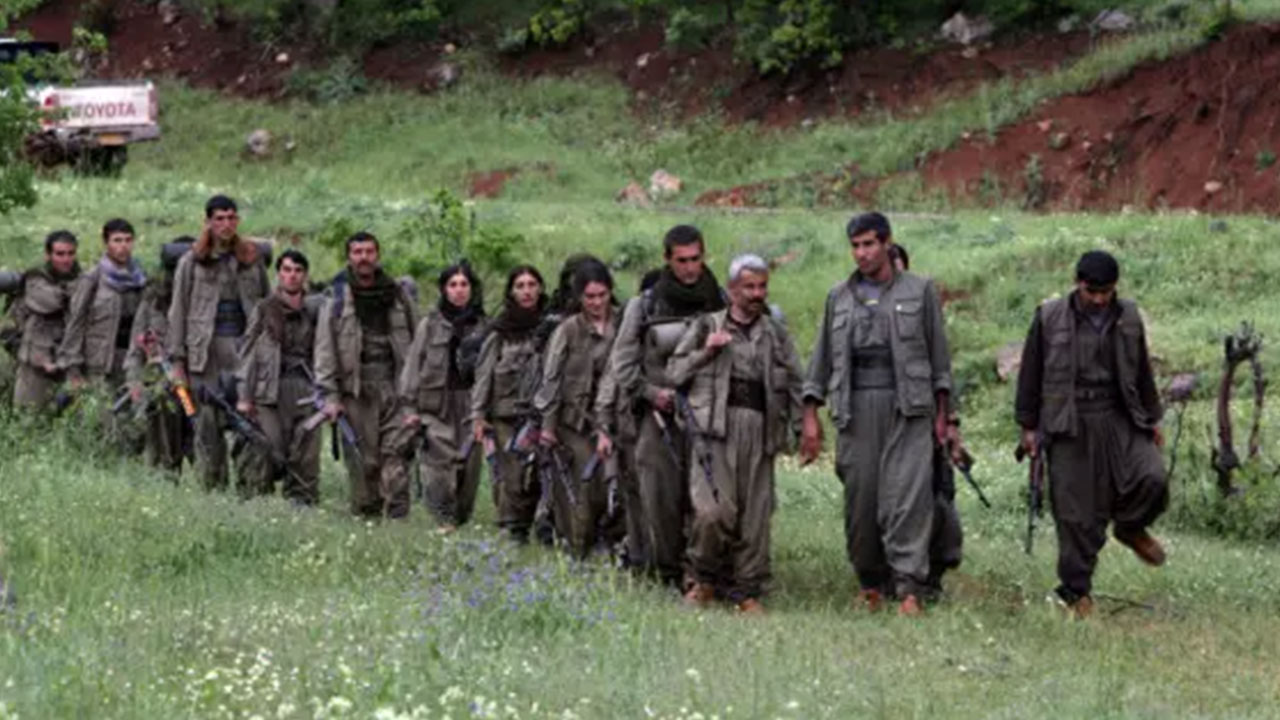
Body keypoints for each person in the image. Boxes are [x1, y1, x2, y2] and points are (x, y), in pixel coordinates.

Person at [801, 212, 954, 616]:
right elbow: (820, 362)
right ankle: (871, 582)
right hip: (856, 408)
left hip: (909, 408)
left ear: (887, 243)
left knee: (908, 498)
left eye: (869, 244)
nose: (862, 253)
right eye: (855, 245)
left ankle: (909, 587)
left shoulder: (919, 291)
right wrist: (810, 417)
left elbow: (940, 360)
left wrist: (945, 418)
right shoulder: (839, 297)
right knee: (862, 499)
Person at [1014, 250, 1167, 619]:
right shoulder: (1050, 317)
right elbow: (1030, 373)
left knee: (1152, 477)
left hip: (1118, 416)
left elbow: (1142, 369)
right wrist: (1028, 427)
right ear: (1077, 283)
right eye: (1092, 291)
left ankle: (1131, 528)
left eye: (1106, 292)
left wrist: (1153, 417)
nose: (1099, 299)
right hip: (1069, 420)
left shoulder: (1128, 316)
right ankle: (1076, 592)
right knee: (1076, 514)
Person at [666, 254, 803, 614]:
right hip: (715, 431)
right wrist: (706, 353)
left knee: (755, 516)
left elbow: (795, 381)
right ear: (731, 290)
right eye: (749, 287)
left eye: (762, 287)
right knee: (713, 511)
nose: (757, 294)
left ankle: (747, 590)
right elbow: (675, 373)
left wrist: (806, 428)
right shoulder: (705, 326)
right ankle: (701, 579)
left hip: (759, 429)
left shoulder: (775, 333)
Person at [611, 226, 725, 587]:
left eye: (696, 259)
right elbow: (623, 365)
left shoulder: (720, 301)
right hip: (658, 418)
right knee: (660, 499)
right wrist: (650, 393)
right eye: (682, 261)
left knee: (707, 500)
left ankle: (701, 574)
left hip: (707, 416)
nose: (690, 268)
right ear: (667, 260)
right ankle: (667, 571)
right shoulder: (644, 306)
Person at [167, 195, 271, 491]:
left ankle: (251, 492)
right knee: (207, 427)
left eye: (231, 218)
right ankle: (213, 491)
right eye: (219, 219)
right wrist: (177, 362)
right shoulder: (191, 262)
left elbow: (268, 307)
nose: (226, 224)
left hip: (244, 353)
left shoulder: (251, 260)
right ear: (208, 222)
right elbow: (178, 313)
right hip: (206, 356)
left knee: (250, 424)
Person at [315, 232, 418, 518]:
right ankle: (368, 524)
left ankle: (397, 523)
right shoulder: (336, 298)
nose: (364, 258)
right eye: (358, 252)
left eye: (369, 252)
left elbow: (417, 342)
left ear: (378, 255)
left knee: (396, 458)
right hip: (356, 393)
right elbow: (325, 352)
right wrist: (330, 397)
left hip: (395, 388)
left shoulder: (398, 294)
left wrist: (417, 393)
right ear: (349, 257)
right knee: (364, 465)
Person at [534, 258, 622, 557]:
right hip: (575, 421)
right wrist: (547, 427)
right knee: (582, 489)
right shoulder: (568, 330)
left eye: (602, 295)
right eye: (590, 297)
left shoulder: (623, 324)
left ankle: (612, 546)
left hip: (615, 419)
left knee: (615, 485)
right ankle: (575, 547)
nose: (597, 302)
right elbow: (551, 379)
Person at [398, 262, 487, 531]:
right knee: (439, 468)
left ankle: (458, 521)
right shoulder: (431, 324)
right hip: (436, 406)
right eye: (453, 285)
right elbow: (413, 365)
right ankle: (442, 521)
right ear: (444, 290)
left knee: (468, 471)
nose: (459, 291)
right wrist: (409, 408)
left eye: (464, 284)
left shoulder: (484, 326)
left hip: (471, 406)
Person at [235, 249, 322, 504]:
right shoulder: (264, 309)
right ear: (279, 274)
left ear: (305, 275)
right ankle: (256, 503)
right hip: (269, 388)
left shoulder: (315, 310)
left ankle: (302, 505)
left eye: (297, 271)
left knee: (306, 452)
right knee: (267, 447)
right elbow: (248, 353)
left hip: (306, 387)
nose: (292, 276)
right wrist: (244, 396)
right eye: (286, 270)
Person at [470, 265, 549, 543]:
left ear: (540, 288)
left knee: (540, 474)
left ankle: (538, 524)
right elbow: (483, 376)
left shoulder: (551, 326)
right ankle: (510, 529)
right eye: (520, 286)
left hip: (541, 415)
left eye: (531, 284)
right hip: (506, 415)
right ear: (511, 291)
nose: (527, 291)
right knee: (510, 476)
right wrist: (478, 416)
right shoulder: (499, 331)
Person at [124, 236, 194, 474]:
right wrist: (135, 383)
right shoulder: (153, 302)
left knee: (202, 449)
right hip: (164, 387)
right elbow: (136, 348)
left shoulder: (205, 301)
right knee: (163, 456)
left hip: (199, 386)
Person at [59, 219, 147, 397]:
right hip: (100, 364)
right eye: (117, 240)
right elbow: (76, 323)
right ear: (106, 243)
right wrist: (73, 369)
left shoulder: (141, 279)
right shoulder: (93, 279)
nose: (123, 246)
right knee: (103, 418)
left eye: (128, 240)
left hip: (133, 361)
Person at [12, 231, 81, 410]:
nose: (66, 259)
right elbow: (51, 301)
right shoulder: (36, 278)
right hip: (36, 361)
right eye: (59, 254)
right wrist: (79, 292)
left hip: (68, 360)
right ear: (48, 255)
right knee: (28, 418)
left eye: (70, 253)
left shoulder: (80, 277)